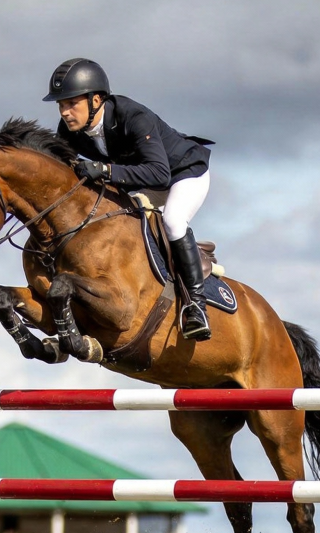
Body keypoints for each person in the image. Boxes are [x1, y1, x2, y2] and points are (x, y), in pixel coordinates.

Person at [43, 58, 214, 341]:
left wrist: (106, 170)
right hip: (141, 179)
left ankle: (196, 305)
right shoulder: (70, 132)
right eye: (61, 105)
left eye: (71, 103)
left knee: (172, 221)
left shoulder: (133, 117)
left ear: (96, 99)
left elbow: (160, 174)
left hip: (183, 174)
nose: (64, 112)